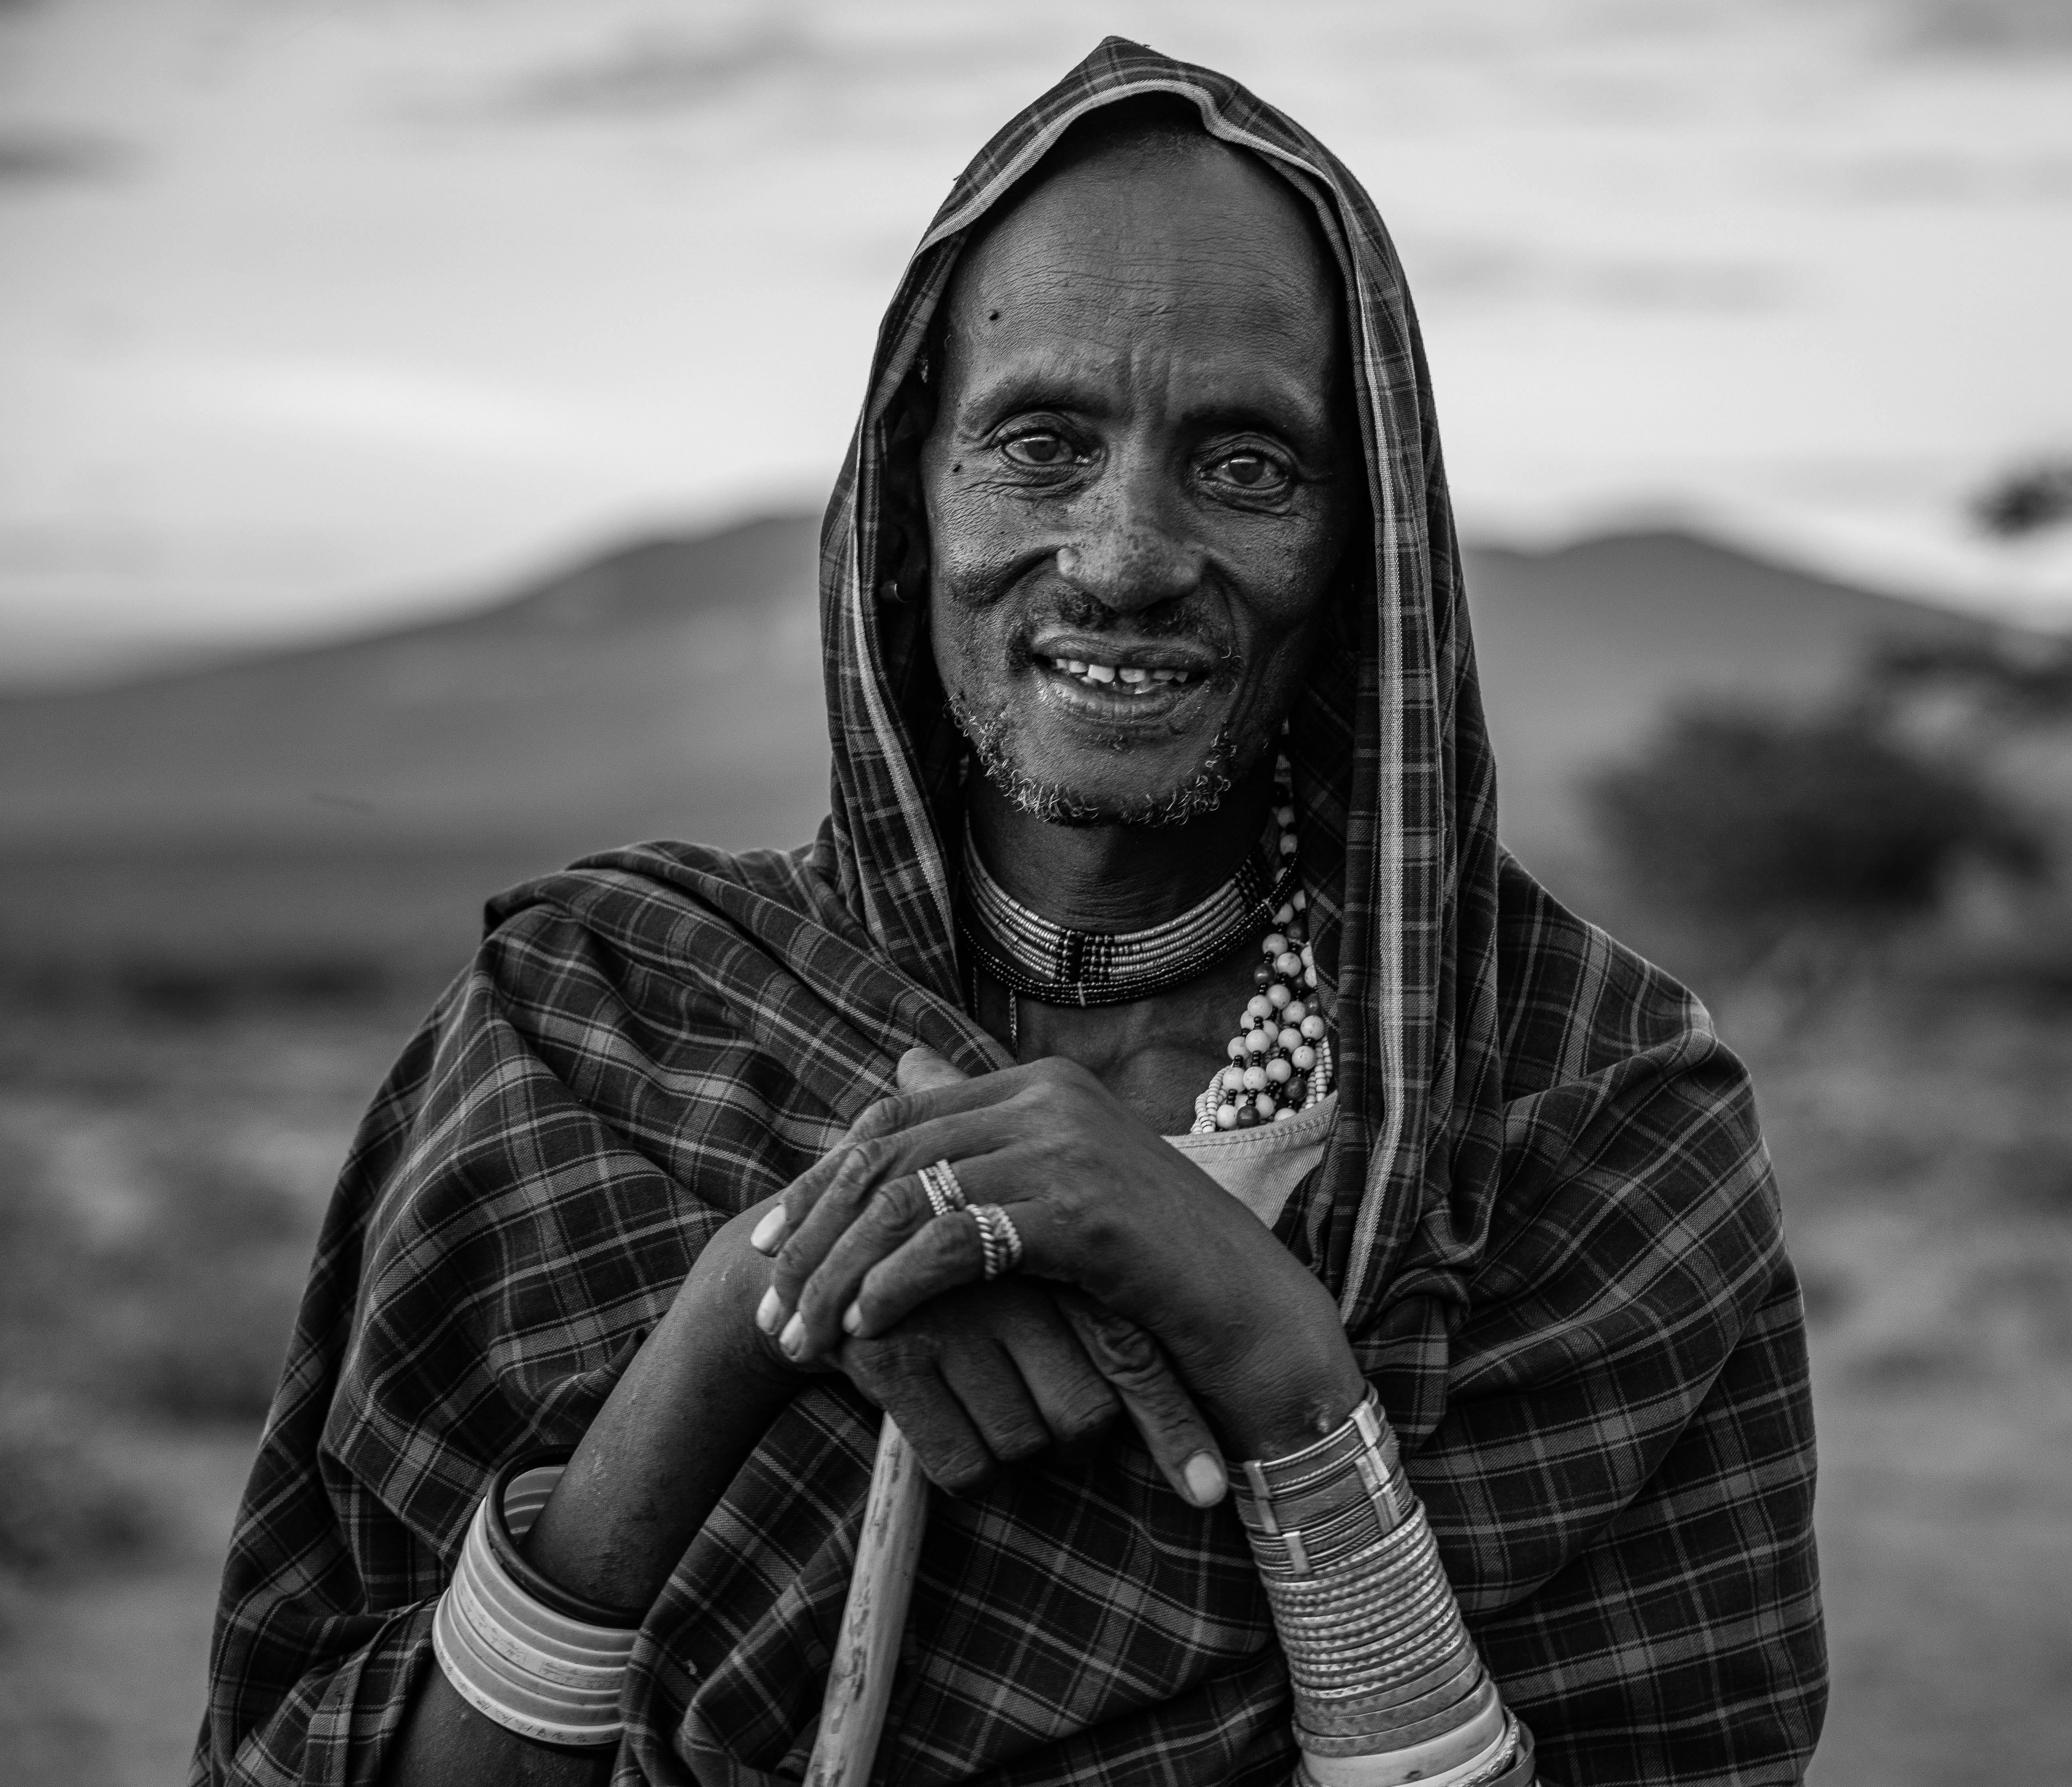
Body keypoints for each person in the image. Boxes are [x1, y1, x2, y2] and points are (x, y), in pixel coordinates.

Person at [194, 39, 1826, 1787]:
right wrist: (758, 1303)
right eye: (1040, 443)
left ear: (1372, 546)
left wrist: (1279, 1365)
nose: (1126, 552)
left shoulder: (1585, 1107)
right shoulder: (595, 1029)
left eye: (1248, 465)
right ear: (906, 504)